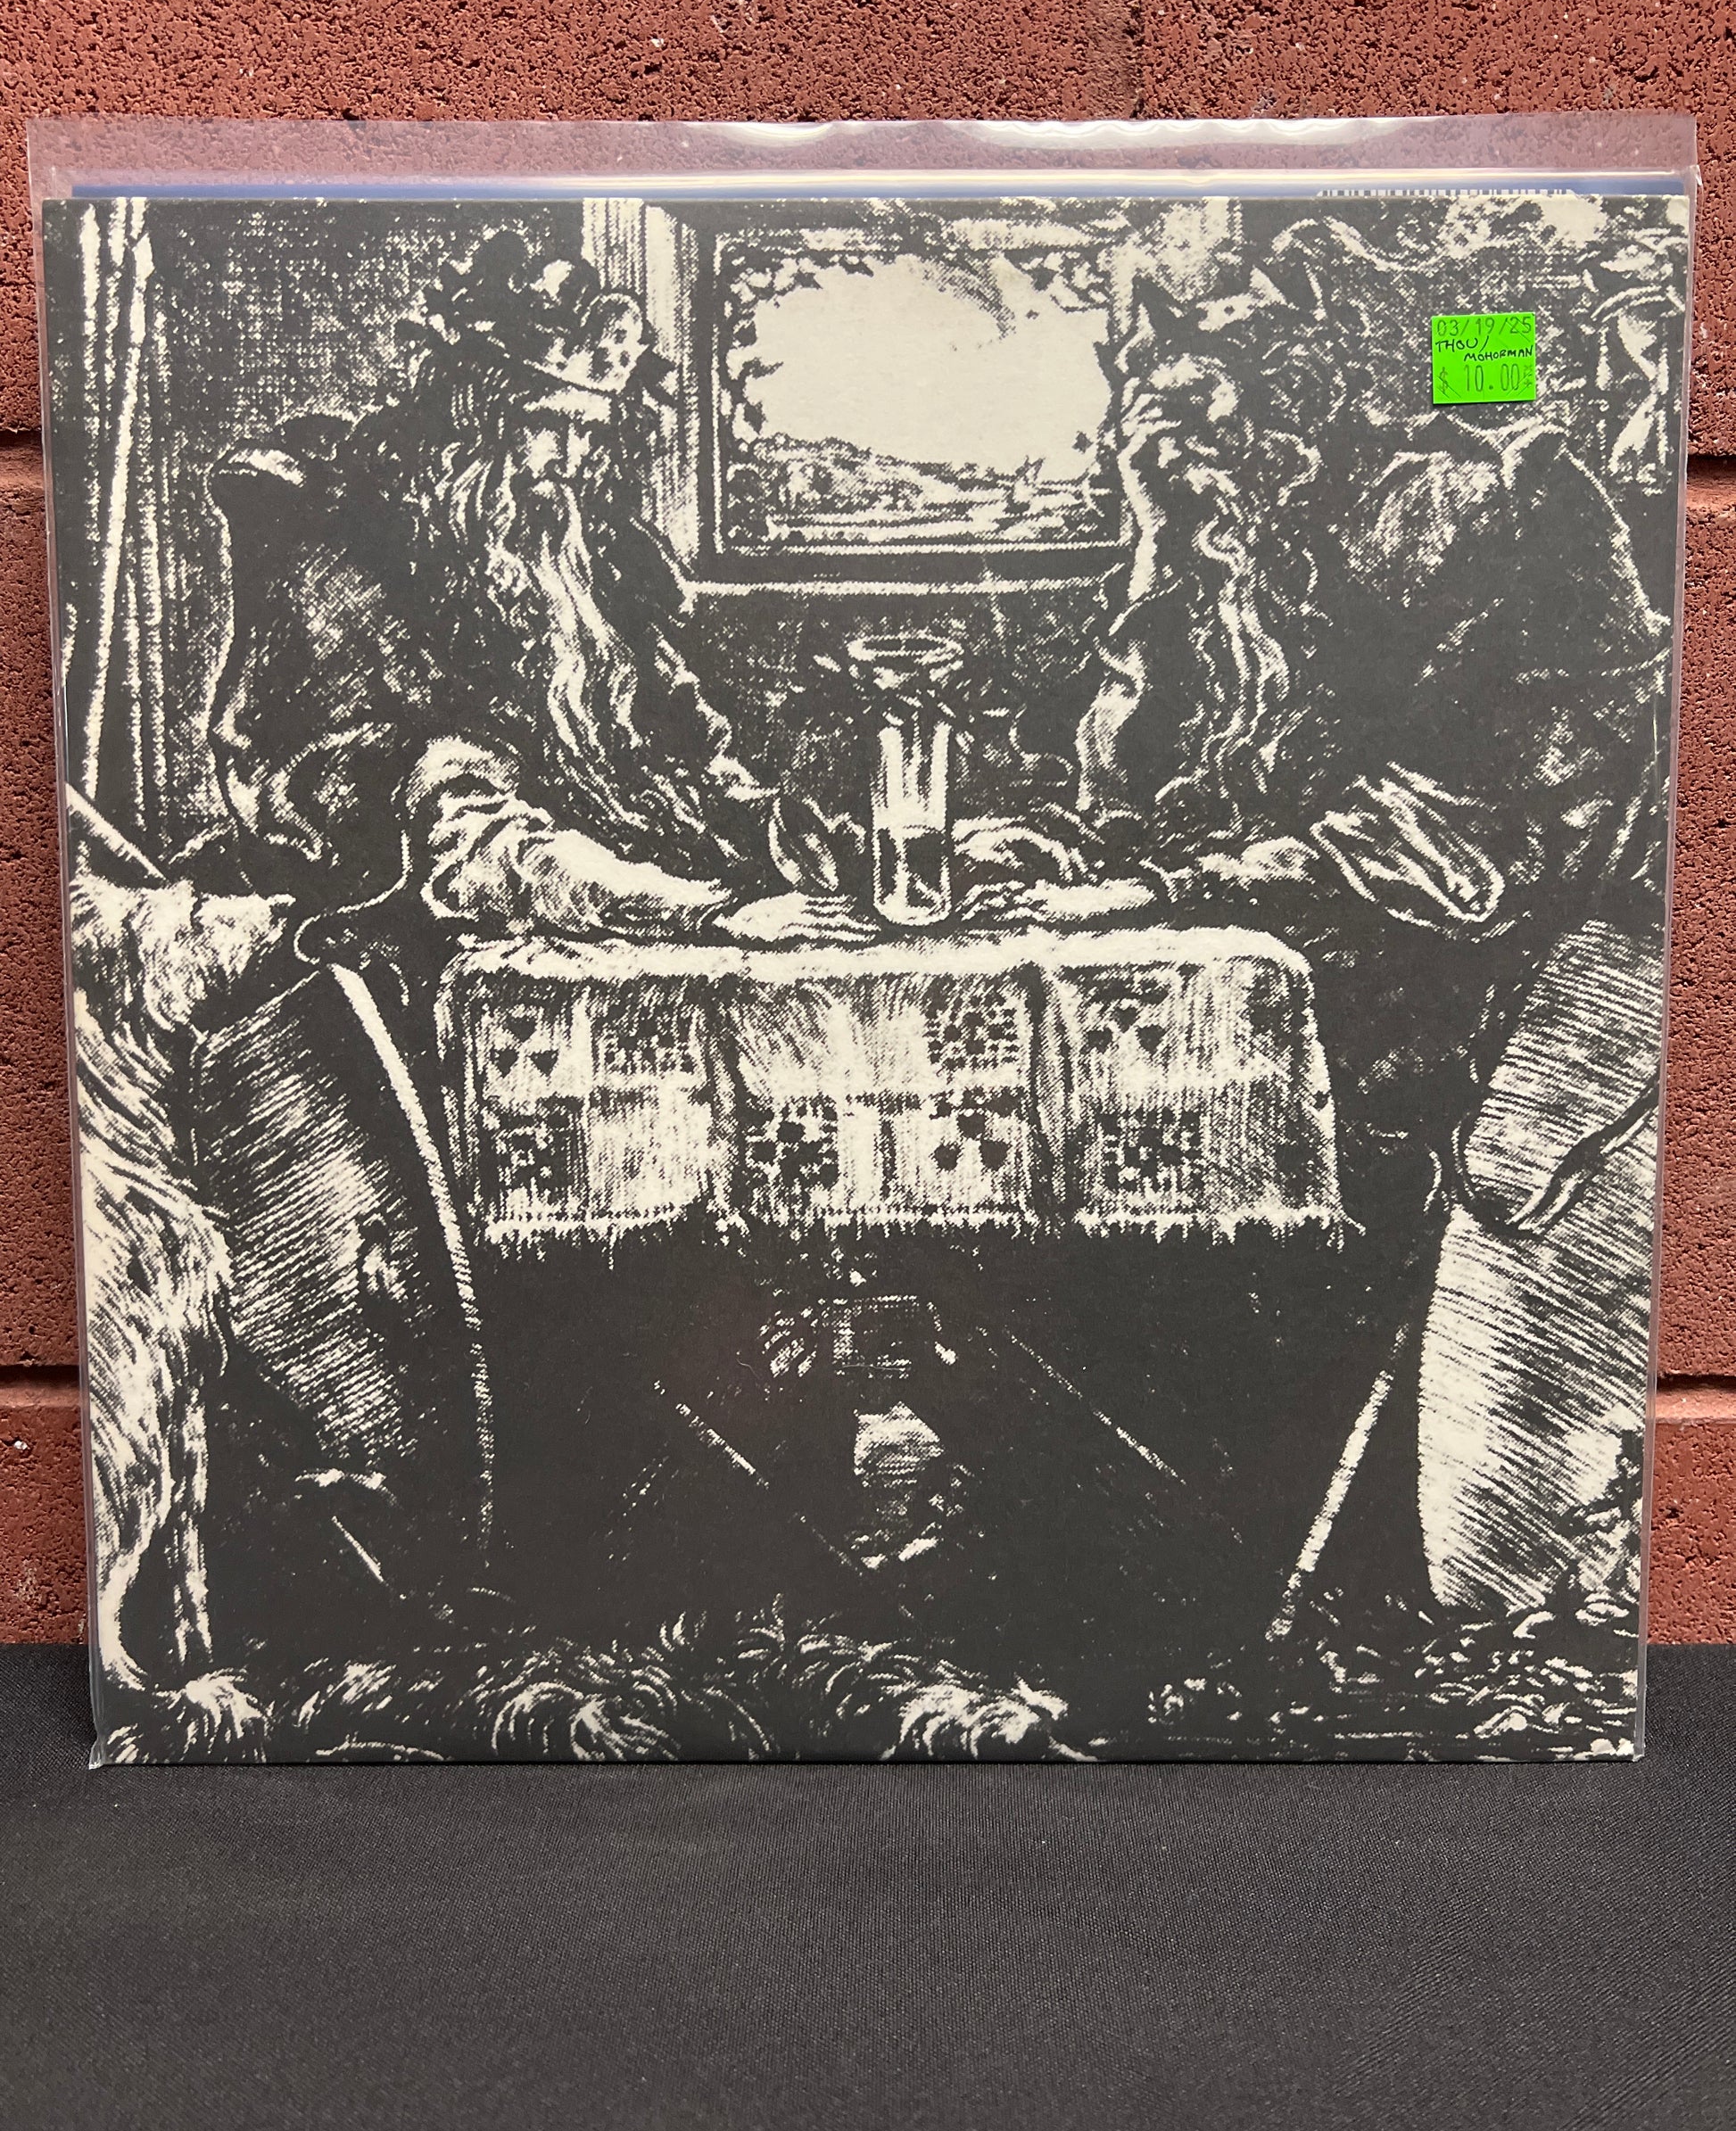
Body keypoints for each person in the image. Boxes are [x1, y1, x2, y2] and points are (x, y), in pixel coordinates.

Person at [990, 218, 1674, 1624]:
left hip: (1444, 992)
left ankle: (1256, 1585)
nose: (1200, 468)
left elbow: (1477, 826)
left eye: (1226, 429)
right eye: (1174, 439)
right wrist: (1083, 830)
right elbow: (1169, 765)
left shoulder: (1510, 506)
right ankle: (1106, 1561)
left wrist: (1180, 884)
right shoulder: (1234, 532)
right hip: (1251, 950)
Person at [206, 228, 875, 962]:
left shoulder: (581, 560)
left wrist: (813, 839)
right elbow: (479, 848)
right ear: (475, 424)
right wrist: (709, 910)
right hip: (424, 940)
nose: (573, 460)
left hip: (610, 897)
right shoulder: (369, 572)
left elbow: (678, 760)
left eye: (589, 431)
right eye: (547, 424)